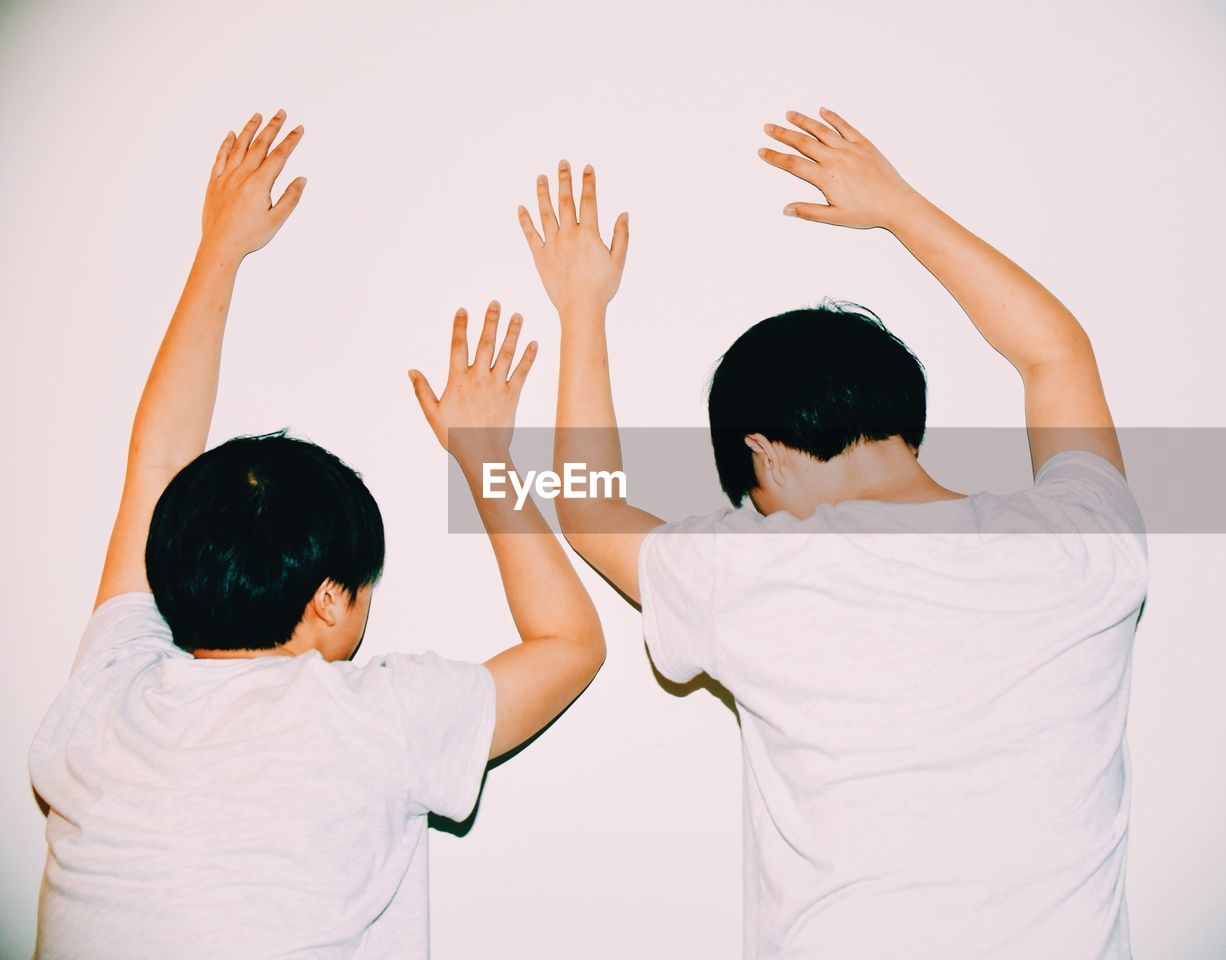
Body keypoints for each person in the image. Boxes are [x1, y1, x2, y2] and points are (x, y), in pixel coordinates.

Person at [516, 108, 1148, 958]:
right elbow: (1058, 356)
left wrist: (581, 308)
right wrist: (898, 206)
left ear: (764, 459)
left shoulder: (757, 573)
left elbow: (589, 510)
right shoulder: (1079, 545)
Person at [28, 110, 604, 959]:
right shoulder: (374, 719)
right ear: (330, 601)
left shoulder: (108, 703)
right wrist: (482, 456)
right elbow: (572, 642)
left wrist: (218, 250)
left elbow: (153, 466)